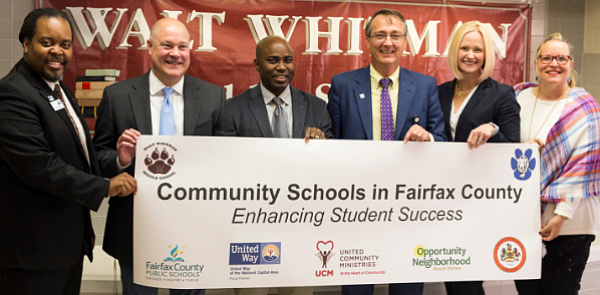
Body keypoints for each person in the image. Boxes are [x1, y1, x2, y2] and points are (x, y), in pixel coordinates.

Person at [92, 18, 234, 295]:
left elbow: (228, 156)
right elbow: (98, 157)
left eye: (182, 46)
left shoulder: (212, 96)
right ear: (149, 47)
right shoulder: (118, 96)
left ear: (191, 50)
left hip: (195, 226)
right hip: (135, 228)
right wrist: (121, 160)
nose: (175, 53)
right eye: (167, 45)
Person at [0, 8, 137, 295]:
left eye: (65, 44)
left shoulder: (57, 89)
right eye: (47, 42)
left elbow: (78, 156)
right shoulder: (13, 93)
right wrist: (104, 186)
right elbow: (40, 166)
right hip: (33, 256)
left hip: (65, 248)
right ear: (26, 43)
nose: (57, 51)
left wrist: (118, 162)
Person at [326, 8, 446, 295]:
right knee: (356, 289)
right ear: (367, 41)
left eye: (395, 35)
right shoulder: (343, 85)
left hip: (409, 208)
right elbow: (332, 145)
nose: (387, 42)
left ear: (405, 42)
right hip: (357, 208)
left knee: (406, 288)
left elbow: (441, 140)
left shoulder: (425, 86)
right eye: (380, 35)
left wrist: (427, 137)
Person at [228, 35, 332, 295]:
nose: (281, 67)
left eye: (287, 60)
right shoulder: (233, 109)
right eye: (272, 60)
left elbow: (332, 167)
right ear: (257, 64)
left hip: (301, 227)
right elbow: (224, 169)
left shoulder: (317, 108)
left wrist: (322, 147)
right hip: (249, 229)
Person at [513, 33, 600, 295]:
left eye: (561, 58)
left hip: (570, 223)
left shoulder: (585, 107)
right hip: (521, 216)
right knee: (527, 291)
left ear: (571, 64)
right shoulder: (516, 96)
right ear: (536, 62)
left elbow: (585, 166)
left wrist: (562, 214)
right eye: (547, 57)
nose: (554, 63)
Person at [437, 21, 520, 295]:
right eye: (464, 48)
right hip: (440, 200)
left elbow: (513, 149)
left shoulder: (502, 94)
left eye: (478, 49)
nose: (470, 55)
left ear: (487, 55)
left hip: (479, 201)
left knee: (468, 279)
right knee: (452, 274)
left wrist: (492, 129)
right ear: (454, 51)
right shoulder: (439, 92)